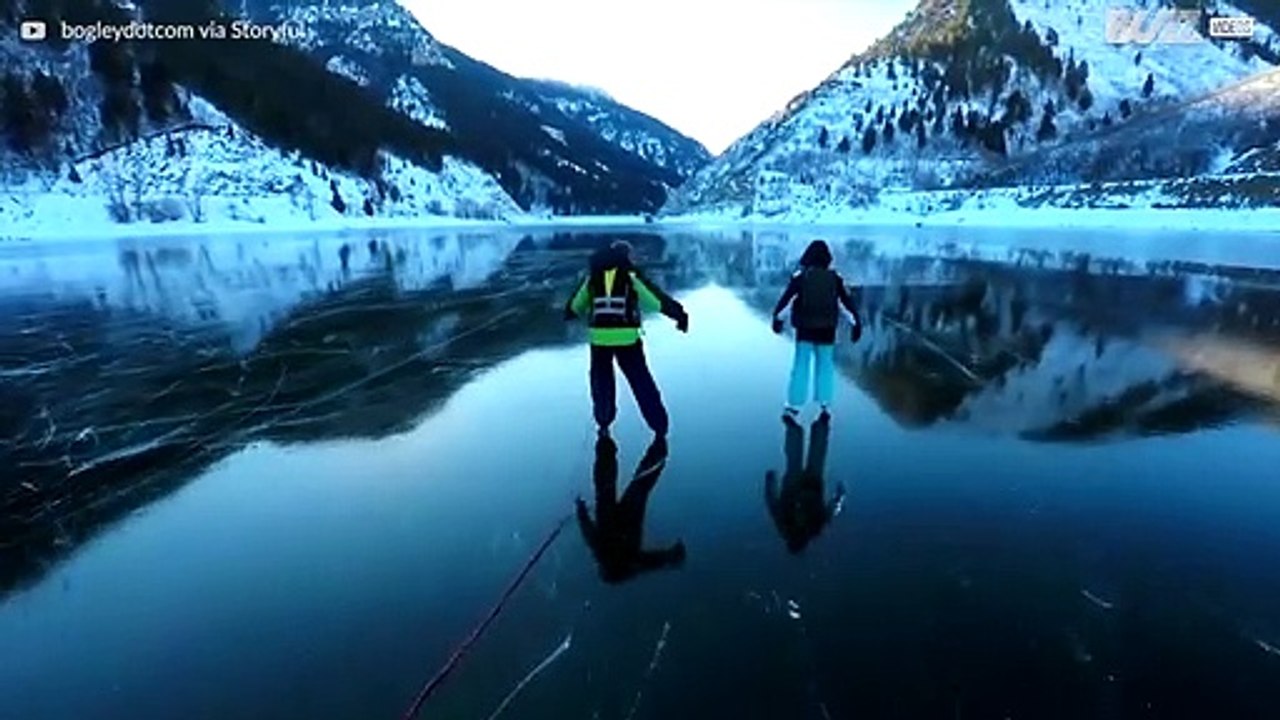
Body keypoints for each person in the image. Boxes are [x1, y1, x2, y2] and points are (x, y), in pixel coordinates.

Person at [564, 240, 689, 436]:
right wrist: (679, 315)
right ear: (625, 256)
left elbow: (576, 306)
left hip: (599, 339)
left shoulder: (593, 278)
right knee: (641, 381)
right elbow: (654, 302)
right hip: (627, 338)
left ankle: (604, 423)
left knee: (602, 382)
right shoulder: (630, 277)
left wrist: (569, 314)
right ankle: (659, 426)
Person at [576, 434, 687, 584]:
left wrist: (581, 511)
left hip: (619, 518)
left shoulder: (624, 560)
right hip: (620, 517)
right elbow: (588, 531)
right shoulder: (611, 556)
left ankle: (656, 448)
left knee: (632, 485)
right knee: (624, 485)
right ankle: (655, 448)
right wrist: (581, 510)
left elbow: (653, 561)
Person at [771, 239, 862, 421]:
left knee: (801, 366)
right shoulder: (835, 279)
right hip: (827, 330)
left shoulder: (801, 277)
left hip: (805, 329)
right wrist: (856, 324)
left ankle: (794, 405)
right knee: (825, 366)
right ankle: (824, 405)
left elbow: (787, 301)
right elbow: (845, 304)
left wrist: (778, 320)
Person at [765, 413, 845, 554]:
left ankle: (802, 428)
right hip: (810, 489)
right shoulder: (814, 528)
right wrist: (839, 495)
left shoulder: (784, 524)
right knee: (812, 457)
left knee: (802, 458)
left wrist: (770, 482)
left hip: (796, 488)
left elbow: (772, 503)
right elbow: (831, 511)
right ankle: (817, 426)